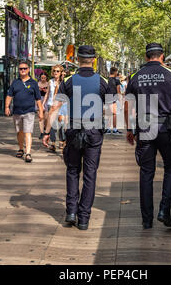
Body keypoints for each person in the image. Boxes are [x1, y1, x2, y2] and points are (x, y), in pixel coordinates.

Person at [43, 45, 111, 231]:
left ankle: (71, 212)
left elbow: (55, 107)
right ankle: (83, 219)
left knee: (72, 170)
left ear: (77, 59)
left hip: (73, 129)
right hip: (94, 130)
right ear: (94, 59)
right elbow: (113, 109)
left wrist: (47, 132)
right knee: (90, 175)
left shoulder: (69, 81)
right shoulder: (103, 81)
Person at [125, 43, 171, 230]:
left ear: (146, 57)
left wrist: (129, 129)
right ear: (162, 56)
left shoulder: (135, 76)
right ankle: (164, 211)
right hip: (166, 128)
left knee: (146, 172)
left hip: (144, 128)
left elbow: (127, 105)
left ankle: (147, 219)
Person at [5, 61, 43, 163]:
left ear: (28, 70)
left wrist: (41, 111)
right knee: (19, 132)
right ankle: (21, 148)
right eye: (21, 68)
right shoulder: (15, 82)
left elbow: (38, 98)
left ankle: (28, 153)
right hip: (17, 111)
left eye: (25, 68)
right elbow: (9, 96)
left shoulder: (33, 83)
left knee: (28, 132)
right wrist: (6, 107)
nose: (23, 70)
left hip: (29, 111)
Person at [43, 65, 62, 152]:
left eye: (58, 71)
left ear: (61, 72)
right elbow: (47, 93)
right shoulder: (50, 81)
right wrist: (43, 103)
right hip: (50, 104)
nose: (55, 72)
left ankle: (62, 141)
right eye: (54, 71)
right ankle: (53, 143)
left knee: (61, 124)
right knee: (51, 124)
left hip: (60, 105)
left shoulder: (63, 82)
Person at [105, 67, 122, 135]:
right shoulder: (117, 80)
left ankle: (108, 129)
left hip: (107, 97)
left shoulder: (106, 79)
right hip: (114, 97)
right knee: (114, 114)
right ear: (115, 72)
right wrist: (120, 98)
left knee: (108, 114)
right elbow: (118, 90)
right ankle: (114, 129)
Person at [37, 72, 49, 138]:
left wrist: (46, 91)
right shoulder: (37, 84)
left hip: (46, 100)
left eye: (44, 78)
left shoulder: (48, 84)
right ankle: (41, 132)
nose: (43, 79)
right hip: (39, 100)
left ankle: (45, 127)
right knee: (40, 117)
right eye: (42, 78)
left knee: (46, 117)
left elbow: (50, 92)